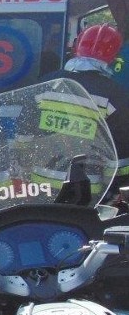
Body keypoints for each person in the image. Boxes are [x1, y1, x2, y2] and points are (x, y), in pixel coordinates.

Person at [39, 23, 129, 196]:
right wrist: (113, 192)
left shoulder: (47, 83)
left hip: (39, 185)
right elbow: (120, 153)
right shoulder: (116, 95)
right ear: (115, 57)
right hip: (86, 192)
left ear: (76, 47)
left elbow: (24, 134)